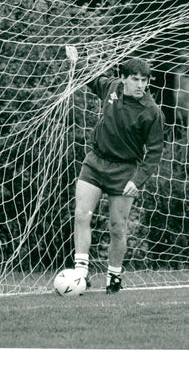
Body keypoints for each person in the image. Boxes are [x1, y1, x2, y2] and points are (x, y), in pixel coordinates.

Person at [65, 45, 165, 294]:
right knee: (82, 215)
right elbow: (90, 78)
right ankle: (80, 274)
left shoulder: (151, 113)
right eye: (135, 79)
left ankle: (114, 277)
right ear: (123, 79)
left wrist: (138, 180)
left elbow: (154, 154)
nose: (140, 84)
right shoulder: (111, 87)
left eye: (144, 80)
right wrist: (77, 63)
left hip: (125, 171)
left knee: (117, 227)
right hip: (95, 162)